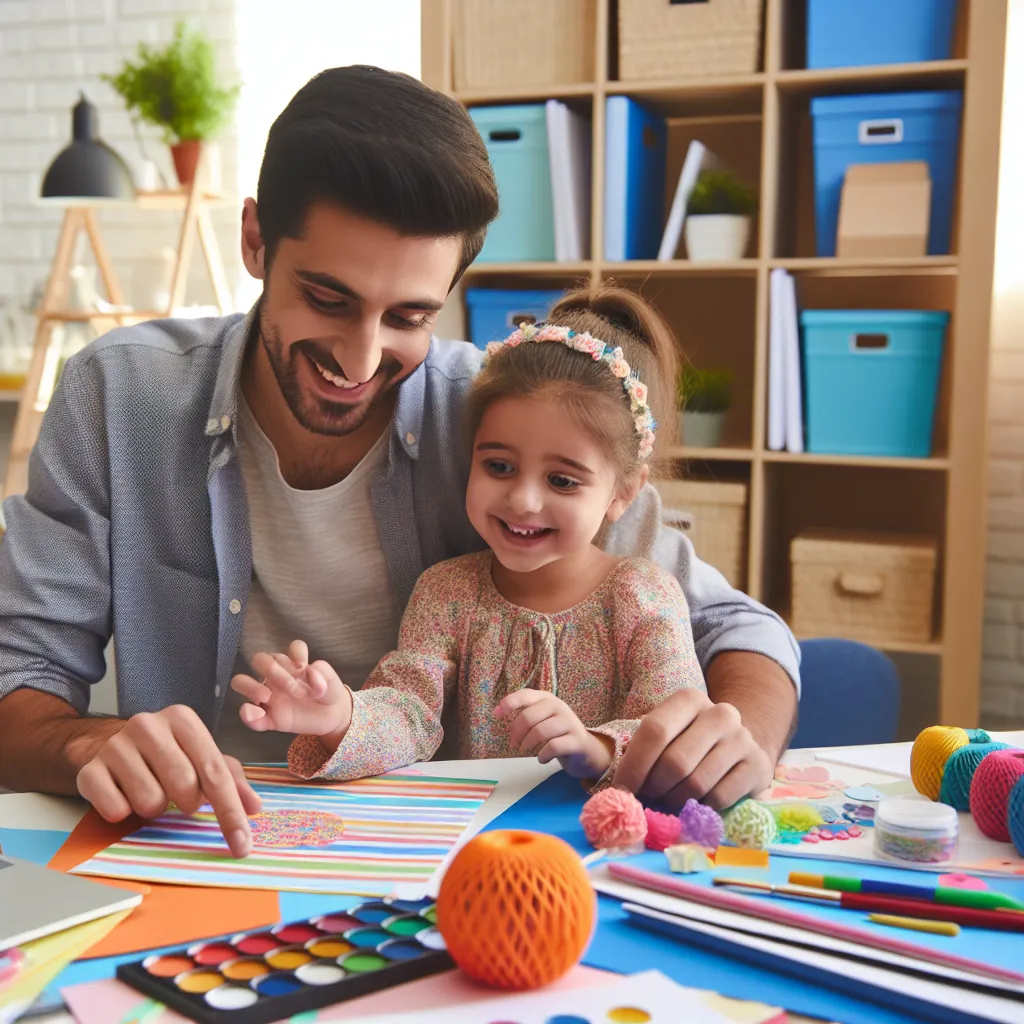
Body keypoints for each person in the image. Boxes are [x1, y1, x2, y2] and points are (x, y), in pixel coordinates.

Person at [0, 66, 799, 860]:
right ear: (254, 240)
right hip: (198, 846)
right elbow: (21, 676)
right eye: (328, 298)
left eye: (409, 315)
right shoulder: (117, 396)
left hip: (441, 856)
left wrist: (741, 736)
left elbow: (738, 628)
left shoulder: (500, 421)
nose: (360, 357)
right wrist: (85, 746)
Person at [230, 288, 707, 786]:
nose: (522, 500)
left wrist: (595, 747)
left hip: (599, 842)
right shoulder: (448, 592)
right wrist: (340, 717)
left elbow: (676, 720)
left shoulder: (643, 597)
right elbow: (409, 710)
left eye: (562, 481)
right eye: (499, 466)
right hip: (473, 844)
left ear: (624, 492)